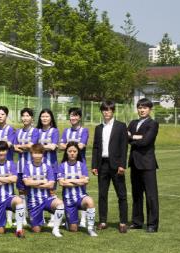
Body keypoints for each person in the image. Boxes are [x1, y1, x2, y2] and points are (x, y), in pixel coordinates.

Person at [91, 100, 129, 233]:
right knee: (102, 194)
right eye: (104, 110)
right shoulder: (98, 128)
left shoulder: (121, 126)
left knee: (121, 195)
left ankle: (123, 222)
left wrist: (122, 165)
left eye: (109, 110)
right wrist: (94, 165)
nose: (107, 112)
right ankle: (102, 221)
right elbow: (96, 147)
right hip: (102, 165)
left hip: (116, 165)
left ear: (113, 111)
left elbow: (124, 147)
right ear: (101, 112)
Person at [127, 98, 160, 232]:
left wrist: (133, 137)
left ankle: (152, 224)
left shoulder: (153, 124)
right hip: (134, 163)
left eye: (145, 108)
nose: (142, 110)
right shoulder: (133, 123)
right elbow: (125, 137)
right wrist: (137, 137)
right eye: (140, 107)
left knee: (151, 196)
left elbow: (146, 141)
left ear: (150, 109)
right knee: (136, 194)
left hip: (147, 164)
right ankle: (137, 222)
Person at [22, 143, 65, 237]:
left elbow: (51, 184)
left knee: (60, 204)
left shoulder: (48, 167)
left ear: (43, 154)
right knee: (36, 230)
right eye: (35, 153)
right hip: (33, 202)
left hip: (46, 199)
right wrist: (42, 181)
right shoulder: (27, 167)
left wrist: (34, 182)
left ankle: (55, 229)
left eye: (39, 153)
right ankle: (39, 220)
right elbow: (27, 183)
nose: (37, 155)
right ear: (31, 154)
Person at [0, 141, 26, 237]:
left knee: (19, 200)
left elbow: (14, 179)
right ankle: (0, 222)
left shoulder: (11, 164)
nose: (1, 153)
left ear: (6, 151)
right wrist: (7, 178)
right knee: (0, 231)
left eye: (3, 150)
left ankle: (19, 230)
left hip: (9, 198)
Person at [57, 141, 98, 237]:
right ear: (66, 152)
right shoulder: (62, 166)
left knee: (90, 201)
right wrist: (79, 180)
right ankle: (68, 223)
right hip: (69, 200)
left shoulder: (82, 165)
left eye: (74, 151)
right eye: (70, 151)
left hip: (81, 197)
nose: (72, 153)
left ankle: (90, 229)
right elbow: (61, 183)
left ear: (78, 152)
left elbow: (85, 181)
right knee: (73, 229)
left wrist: (69, 180)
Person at [59, 107, 89, 227]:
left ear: (79, 117)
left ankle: (83, 220)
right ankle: (69, 217)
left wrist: (68, 145)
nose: (73, 118)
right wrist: (72, 145)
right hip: (67, 164)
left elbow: (81, 146)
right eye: (72, 115)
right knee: (66, 189)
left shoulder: (84, 131)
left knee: (81, 191)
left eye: (76, 115)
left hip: (80, 164)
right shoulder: (66, 131)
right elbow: (60, 146)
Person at [13, 108, 40, 226]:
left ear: (32, 118)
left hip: (33, 167)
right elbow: (14, 147)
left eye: (27, 115)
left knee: (33, 192)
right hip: (20, 167)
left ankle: (34, 216)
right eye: (23, 116)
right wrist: (23, 147)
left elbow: (32, 146)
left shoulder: (35, 131)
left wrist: (21, 147)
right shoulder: (18, 132)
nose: (25, 118)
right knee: (21, 191)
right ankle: (22, 217)